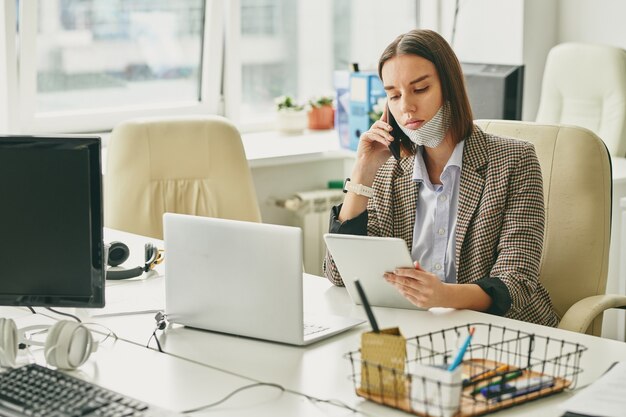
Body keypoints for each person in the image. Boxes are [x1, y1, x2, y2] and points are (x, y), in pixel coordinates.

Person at [323, 29, 558, 327]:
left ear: (450, 87)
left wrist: (443, 295)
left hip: (499, 332)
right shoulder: (389, 168)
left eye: (420, 89)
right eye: (393, 95)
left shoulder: (515, 161)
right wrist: (362, 173)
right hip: (415, 327)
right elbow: (339, 275)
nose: (405, 107)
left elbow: (517, 281)